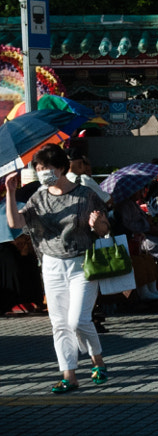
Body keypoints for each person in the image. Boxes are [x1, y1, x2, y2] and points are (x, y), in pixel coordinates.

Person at [4, 144, 111, 392]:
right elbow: (15, 222)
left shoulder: (85, 195)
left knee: (77, 320)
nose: (43, 172)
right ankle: (69, 375)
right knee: (59, 323)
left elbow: (105, 230)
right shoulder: (38, 198)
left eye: (47, 167)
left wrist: (97, 224)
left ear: (62, 168)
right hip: (51, 266)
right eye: (39, 168)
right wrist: (10, 192)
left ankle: (98, 359)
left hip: (82, 263)